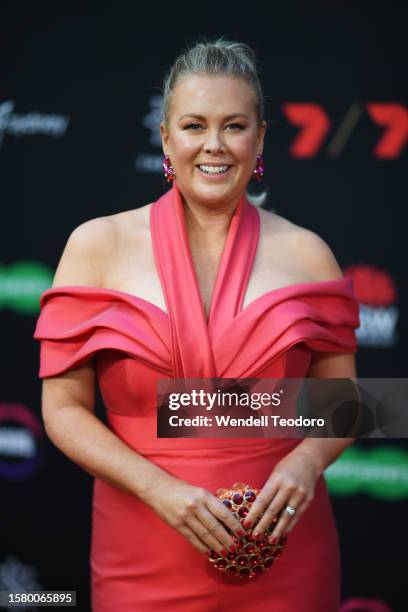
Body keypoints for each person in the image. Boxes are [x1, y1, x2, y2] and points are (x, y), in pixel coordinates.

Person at [33, 37, 360, 612]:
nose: (214, 145)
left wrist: (307, 459)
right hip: (142, 549)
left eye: (234, 125)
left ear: (260, 138)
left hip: (287, 554)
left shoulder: (309, 254)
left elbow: (348, 401)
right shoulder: (97, 246)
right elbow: (62, 409)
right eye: (193, 125)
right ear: (165, 137)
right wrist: (158, 487)